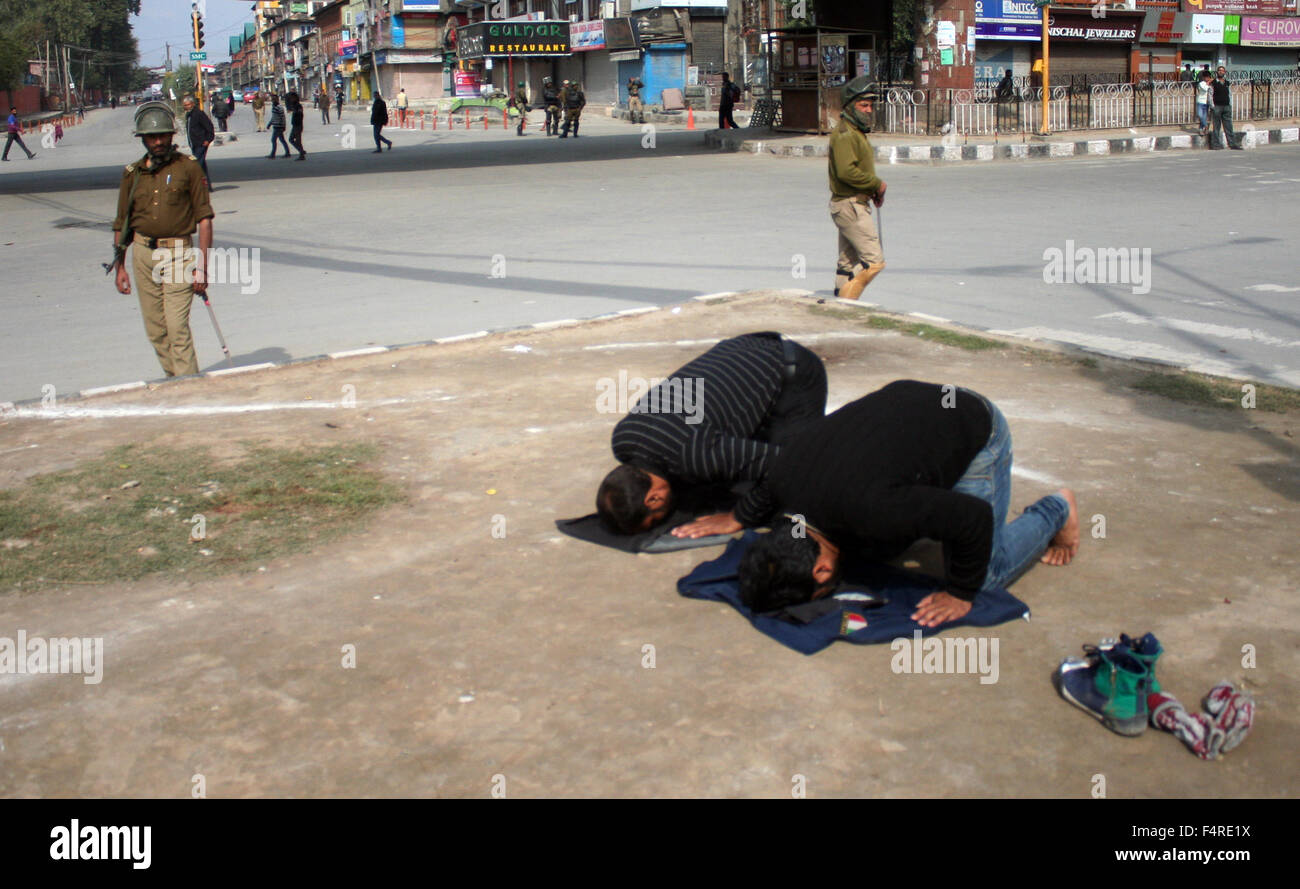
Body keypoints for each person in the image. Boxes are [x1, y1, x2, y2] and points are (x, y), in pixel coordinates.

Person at [731, 380, 1080, 627]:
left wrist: (960, 592)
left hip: (971, 421)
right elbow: (767, 488)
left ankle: (1056, 509)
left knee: (985, 576)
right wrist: (740, 516)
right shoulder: (783, 482)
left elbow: (973, 518)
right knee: (878, 543)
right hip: (906, 399)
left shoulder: (874, 510)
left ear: (821, 570)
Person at [597, 332, 828, 535]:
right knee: (729, 477)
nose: (661, 519)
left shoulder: (696, 455)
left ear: (653, 498)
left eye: (655, 518)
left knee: (797, 484)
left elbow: (786, 464)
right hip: (742, 347)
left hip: (792, 371)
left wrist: (738, 517)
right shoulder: (622, 438)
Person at [110, 101, 214, 378]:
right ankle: (177, 381)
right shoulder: (132, 174)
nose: (157, 141)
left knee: (177, 328)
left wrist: (202, 265)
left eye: (163, 136)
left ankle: (189, 390)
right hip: (143, 255)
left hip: (178, 254)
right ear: (142, 139)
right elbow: (122, 223)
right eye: (151, 137)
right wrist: (120, 266)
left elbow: (204, 218)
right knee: (156, 331)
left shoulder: (188, 168)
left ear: (172, 135)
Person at [828, 76, 886, 300]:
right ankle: (847, 302)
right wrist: (876, 184)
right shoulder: (845, 134)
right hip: (849, 206)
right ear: (850, 106)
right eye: (863, 105)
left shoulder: (855, 132)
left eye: (870, 105)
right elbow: (846, 172)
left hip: (853, 203)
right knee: (875, 261)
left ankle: (838, 301)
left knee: (846, 262)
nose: (868, 110)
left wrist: (872, 191)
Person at [181, 95, 214, 187]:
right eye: (185, 105)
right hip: (194, 144)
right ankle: (206, 186)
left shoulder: (198, 114)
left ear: (192, 104)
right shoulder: (189, 115)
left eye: (188, 105)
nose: (186, 107)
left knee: (196, 164)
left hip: (201, 144)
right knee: (202, 166)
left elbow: (209, 127)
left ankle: (196, 186)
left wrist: (208, 140)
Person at [1208, 66, 1243, 150]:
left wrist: (1230, 104)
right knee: (1216, 127)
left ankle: (1232, 143)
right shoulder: (1213, 83)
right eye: (1219, 70)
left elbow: (1229, 94)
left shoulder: (1227, 83)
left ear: (1225, 72)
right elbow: (1210, 95)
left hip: (1226, 106)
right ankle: (1215, 144)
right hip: (1217, 107)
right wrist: (1212, 106)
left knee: (1229, 127)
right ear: (1217, 72)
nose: (1221, 72)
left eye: (1222, 71)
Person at [267, 94, 290, 158]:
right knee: (282, 140)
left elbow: (283, 117)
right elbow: (274, 117)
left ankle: (273, 154)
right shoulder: (274, 106)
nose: (273, 100)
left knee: (273, 140)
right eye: (272, 99)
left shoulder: (279, 107)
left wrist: (283, 126)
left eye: (274, 99)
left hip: (279, 126)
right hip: (276, 125)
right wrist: (270, 123)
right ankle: (287, 152)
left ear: (277, 100)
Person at [286, 91, 306, 160]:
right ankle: (301, 151)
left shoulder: (298, 105)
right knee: (291, 139)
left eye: (292, 98)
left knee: (297, 140)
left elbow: (300, 115)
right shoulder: (294, 105)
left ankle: (301, 153)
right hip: (295, 125)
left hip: (298, 125)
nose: (291, 99)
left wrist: (296, 120)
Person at [1195, 70, 1212, 137]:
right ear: (1203, 77)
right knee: (1200, 115)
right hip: (1200, 102)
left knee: (1204, 117)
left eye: (1208, 77)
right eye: (1206, 77)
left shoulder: (1210, 84)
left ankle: (1201, 129)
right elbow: (1205, 89)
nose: (1207, 79)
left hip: (1207, 102)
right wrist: (1209, 82)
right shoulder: (1201, 83)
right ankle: (1206, 126)